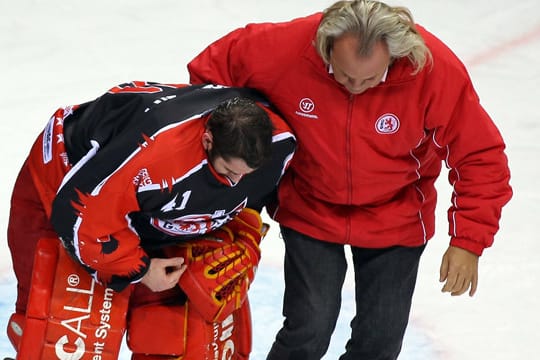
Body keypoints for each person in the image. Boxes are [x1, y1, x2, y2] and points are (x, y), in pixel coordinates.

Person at [187, 1, 513, 359]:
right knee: (309, 329)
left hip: (396, 216)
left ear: (395, 56)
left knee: (380, 342)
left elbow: (481, 157)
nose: (355, 87)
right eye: (342, 75)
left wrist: (467, 241)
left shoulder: (433, 70)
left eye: (370, 79)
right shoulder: (283, 47)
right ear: (325, 46)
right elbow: (207, 77)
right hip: (309, 205)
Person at [6, 81, 296, 357]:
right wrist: (141, 271)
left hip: (149, 205)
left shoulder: (280, 143)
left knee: (187, 331)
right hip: (69, 188)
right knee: (65, 333)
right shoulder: (153, 155)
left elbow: (256, 191)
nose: (237, 183)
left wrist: (244, 226)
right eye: (228, 172)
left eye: (246, 174)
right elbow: (82, 221)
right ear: (208, 140)